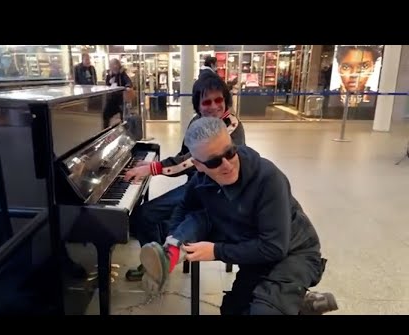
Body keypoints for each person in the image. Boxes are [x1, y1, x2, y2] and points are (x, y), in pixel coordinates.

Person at [139, 117, 338, 315]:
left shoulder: (269, 178)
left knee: (264, 311)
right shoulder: (201, 181)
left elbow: (274, 248)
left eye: (230, 152)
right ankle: (171, 253)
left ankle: (297, 302)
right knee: (231, 310)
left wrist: (216, 251)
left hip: (294, 253)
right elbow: (183, 209)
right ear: (198, 165)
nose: (226, 164)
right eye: (215, 161)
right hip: (253, 249)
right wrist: (174, 237)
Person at [124, 73, 245, 281]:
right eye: (207, 101)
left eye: (219, 100)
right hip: (198, 185)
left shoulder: (231, 125)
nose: (214, 106)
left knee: (145, 216)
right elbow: (184, 157)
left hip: (217, 193)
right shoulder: (197, 121)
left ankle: (159, 261)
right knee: (147, 217)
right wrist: (154, 166)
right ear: (198, 105)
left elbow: (190, 161)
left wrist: (153, 168)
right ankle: (157, 257)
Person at [103, 58, 133, 127]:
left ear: (116, 65)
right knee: (106, 114)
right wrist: (109, 83)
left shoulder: (122, 74)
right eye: (110, 65)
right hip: (112, 99)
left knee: (124, 115)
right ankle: (106, 130)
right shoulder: (109, 75)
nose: (111, 67)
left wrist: (127, 87)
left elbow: (128, 82)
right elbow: (107, 85)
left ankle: (125, 130)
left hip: (121, 99)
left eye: (112, 65)